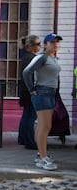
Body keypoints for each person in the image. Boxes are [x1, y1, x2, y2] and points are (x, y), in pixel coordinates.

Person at [23, 33, 63, 171]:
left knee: (43, 126)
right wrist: (32, 89)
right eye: (52, 42)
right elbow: (27, 72)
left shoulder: (53, 58)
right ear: (46, 44)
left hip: (51, 93)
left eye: (57, 42)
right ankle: (43, 158)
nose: (55, 44)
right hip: (43, 93)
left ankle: (41, 155)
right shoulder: (42, 57)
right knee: (44, 126)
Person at [18, 35, 41, 150]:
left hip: (25, 90)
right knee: (31, 117)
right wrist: (33, 89)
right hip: (30, 91)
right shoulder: (31, 58)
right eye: (37, 44)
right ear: (30, 46)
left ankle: (23, 138)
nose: (40, 46)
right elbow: (30, 76)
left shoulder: (26, 57)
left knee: (27, 115)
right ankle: (30, 141)